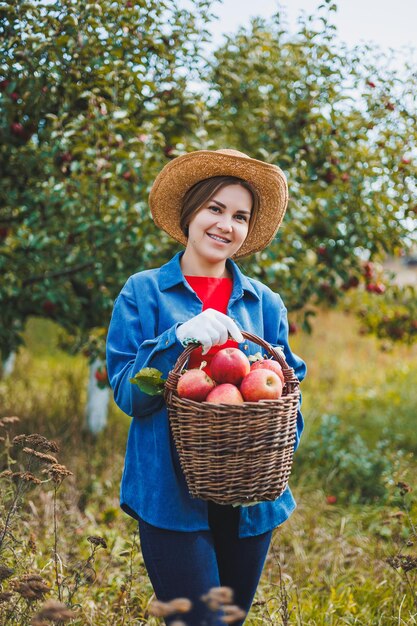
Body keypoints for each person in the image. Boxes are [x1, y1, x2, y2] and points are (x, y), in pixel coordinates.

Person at [106, 148, 307, 625]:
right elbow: (128, 395)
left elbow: (290, 391)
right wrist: (177, 338)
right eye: (214, 208)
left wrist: (269, 447)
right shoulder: (144, 292)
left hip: (251, 501)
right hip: (169, 497)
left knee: (229, 621)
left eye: (240, 216)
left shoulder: (265, 303)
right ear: (190, 214)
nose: (225, 225)